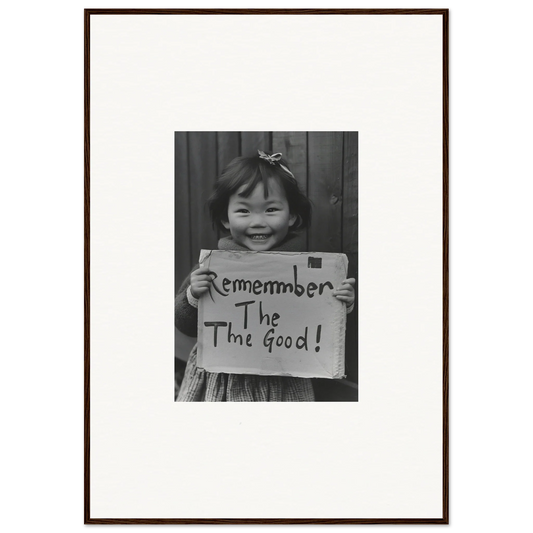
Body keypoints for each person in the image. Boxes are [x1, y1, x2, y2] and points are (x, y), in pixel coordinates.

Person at [175, 150, 355, 401]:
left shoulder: (307, 275)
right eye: (244, 211)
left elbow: (319, 323)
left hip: (285, 379)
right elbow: (183, 324)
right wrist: (193, 295)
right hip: (224, 378)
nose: (258, 221)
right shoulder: (211, 269)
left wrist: (340, 302)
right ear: (226, 219)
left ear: (291, 215)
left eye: (271, 209)